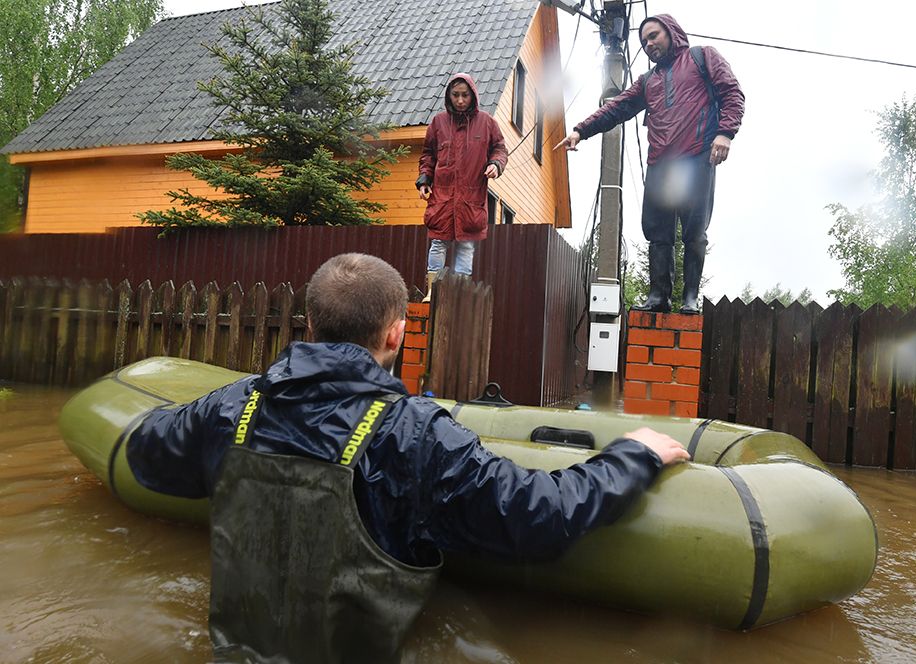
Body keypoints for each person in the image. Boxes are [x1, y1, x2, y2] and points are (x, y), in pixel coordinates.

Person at [125, 252, 690, 663]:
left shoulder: (231, 409)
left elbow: (145, 452)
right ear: (396, 334)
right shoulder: (417, 436)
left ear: (311, 326)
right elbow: (541, 515)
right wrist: (632, 456)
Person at [556, 14, 745, 314]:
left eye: (654, 36)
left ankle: (691, 298)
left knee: (694, 229)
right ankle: (659, 297)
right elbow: (616, 108)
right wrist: (581, 130)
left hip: (697, 156)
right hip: (660, 163)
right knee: (657, 231)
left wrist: (725, 133)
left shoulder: (702, 58)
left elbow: (732, 92)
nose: (649, 44)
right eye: (644, 40)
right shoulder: (648, 81)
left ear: (671, 33)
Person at [416, 73, 507, 301]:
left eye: (464, 95)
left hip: (471, 197)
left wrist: (495, 164)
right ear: (449, 96)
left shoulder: (487, 123)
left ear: (473, 96)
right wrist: (424, 180)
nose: (459, 100)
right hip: (443, 198)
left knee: (466, 246)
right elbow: (428, 155)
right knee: (438, 243)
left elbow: (500, 149)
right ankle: (432, 292)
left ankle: (458, 295)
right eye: (455, 95)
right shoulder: (438, 123)